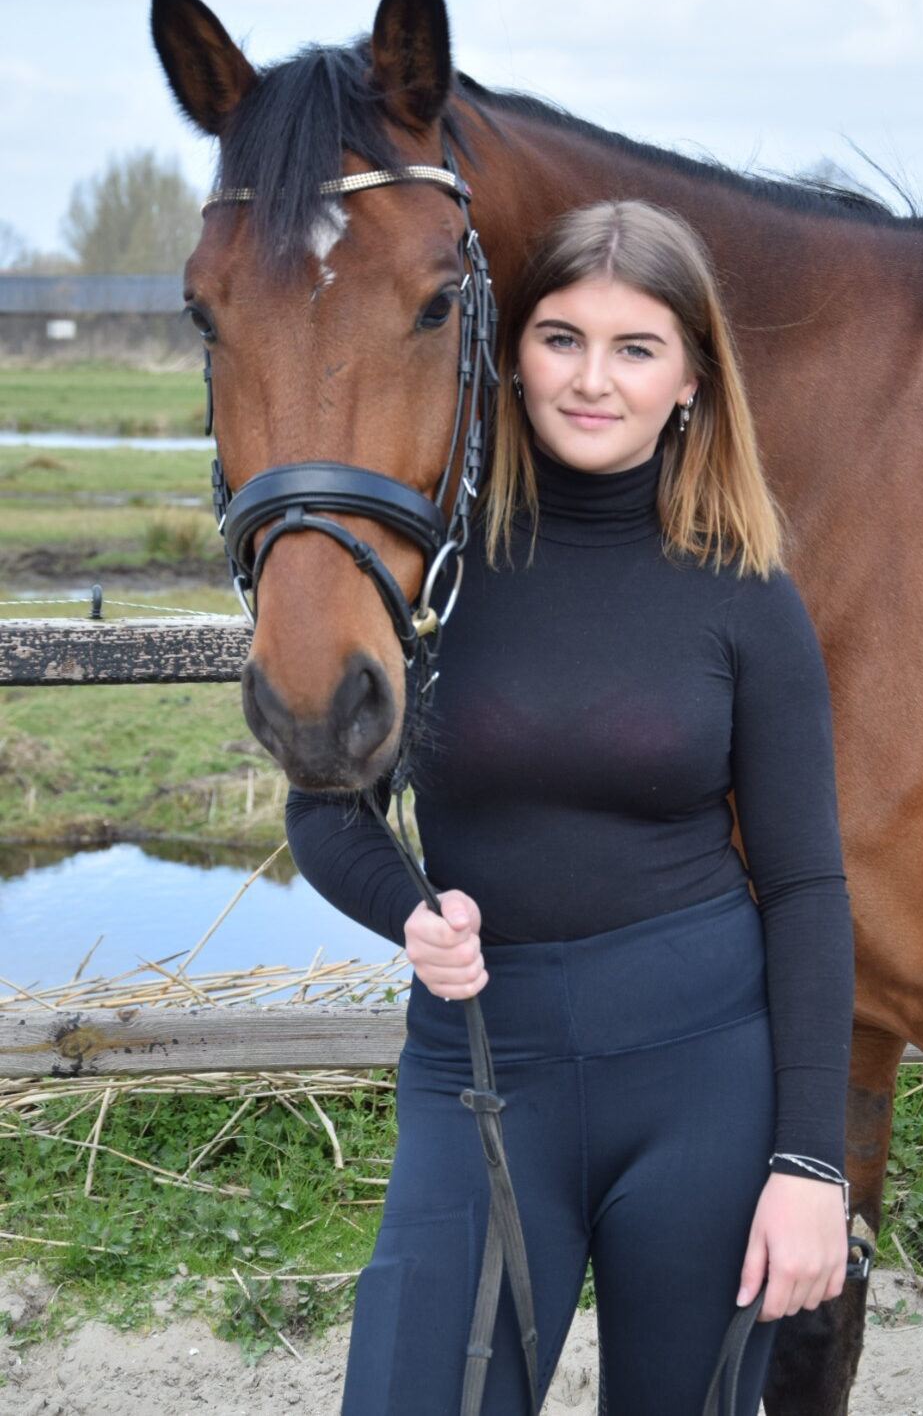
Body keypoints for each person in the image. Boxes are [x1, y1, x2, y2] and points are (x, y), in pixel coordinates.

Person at [286, 199, 855, 1416]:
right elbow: (325, 809)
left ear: (691, 379)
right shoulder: (435, 580)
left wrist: (812, 1164)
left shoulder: (746, 594)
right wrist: (409, 913)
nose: (592, 380)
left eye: (635, 347)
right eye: (562, 339)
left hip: (706, 1087)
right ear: (511, 353)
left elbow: (807, 885)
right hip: (484, 1076)